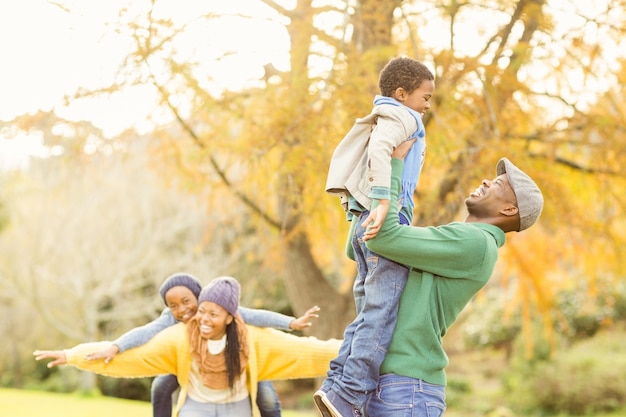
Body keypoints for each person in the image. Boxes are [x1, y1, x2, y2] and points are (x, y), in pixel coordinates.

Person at [357, 142, 543, 416]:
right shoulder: (462, 241)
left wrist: (393, 165)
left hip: (405, 388)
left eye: (498, 185)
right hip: (396, 385)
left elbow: (382, 237)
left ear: (508, 211)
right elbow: (363, 245)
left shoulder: (476, 242)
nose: (485, 181)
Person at [34, 276, 341, 417]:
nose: (198, 317)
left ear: (231, 317)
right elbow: (138, 347)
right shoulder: (176, 334)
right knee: (160, 386)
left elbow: (309, 352)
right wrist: (72, 355)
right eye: (200, 311)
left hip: (238, 400)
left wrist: (293, 324)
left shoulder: (252, 334)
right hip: (197, 402)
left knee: (268, 399)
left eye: (210, 313)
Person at [317, 57, 435, 416]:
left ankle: (335, 387)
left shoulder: (386, 114)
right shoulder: (402, 117)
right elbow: (382, 152)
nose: (427, 105)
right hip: (385, 215)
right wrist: (384, 203)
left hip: (366, 221)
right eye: (425, 97)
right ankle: (349, 396)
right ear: (402, 94)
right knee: (381, 313)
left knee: (367, 312)